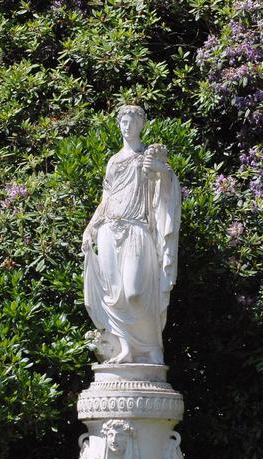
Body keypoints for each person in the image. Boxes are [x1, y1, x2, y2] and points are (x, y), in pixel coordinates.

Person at [82, 106, 181, 365]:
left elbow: (166, 191)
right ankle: (125, 349)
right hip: (108, 229)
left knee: (136, 292)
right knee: (114, 295)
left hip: (137, 228)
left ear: (141, 125)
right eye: (123, 122)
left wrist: (161, 171)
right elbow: (106, 197)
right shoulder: (114, 161)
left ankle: (150, 348)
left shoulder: (147, 158)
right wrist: (90, 227)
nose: (127, 127)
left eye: (132, 122)